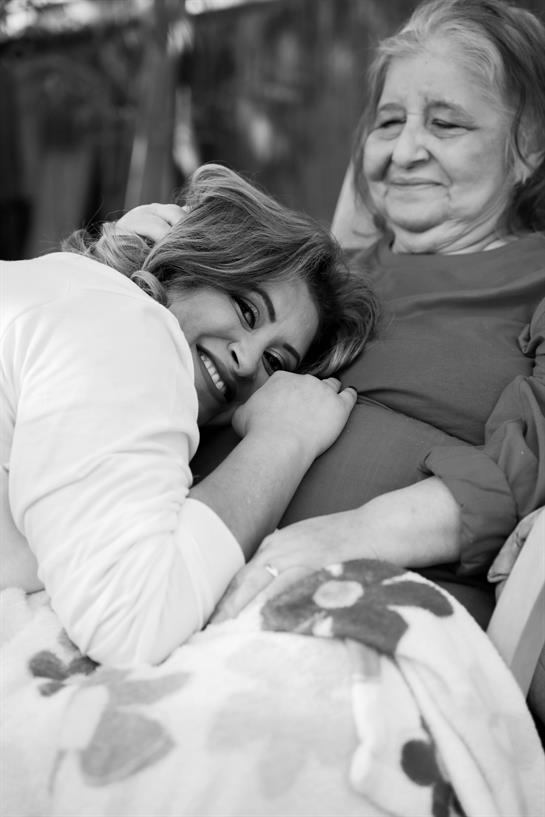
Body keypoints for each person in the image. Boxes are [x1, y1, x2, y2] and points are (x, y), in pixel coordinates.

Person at [129, 0, 545, 628]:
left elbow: (536, 453)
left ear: (529, 145)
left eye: (447, 125)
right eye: (388, 122)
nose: (404, 152)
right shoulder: (313, 278)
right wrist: (131, 271)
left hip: (366, 601)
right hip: (164, 567)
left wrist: (356, 534)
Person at [0, 163, 379, 666]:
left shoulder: (76, 298)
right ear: (190, 264)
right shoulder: (127, 326)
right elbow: (131, 620)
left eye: (275, 362)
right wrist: (282, 442)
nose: (247, 361)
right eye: (246, 310)